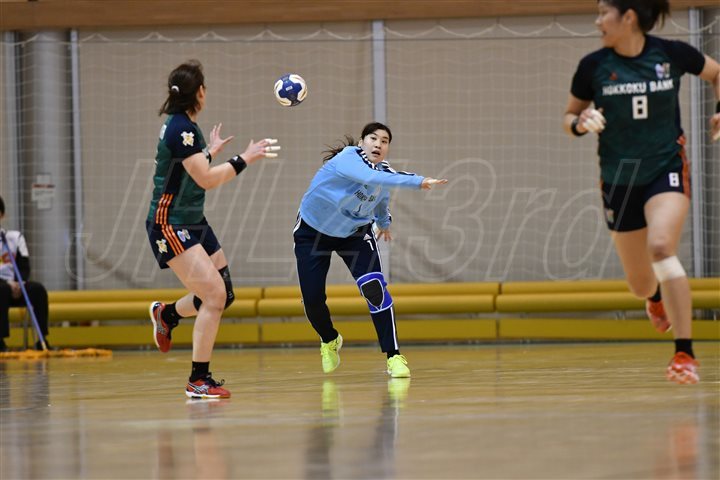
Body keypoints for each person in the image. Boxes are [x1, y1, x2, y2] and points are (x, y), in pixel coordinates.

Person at [563, 0, 720, 384]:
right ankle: (654, 299)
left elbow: (717, 72)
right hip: (619, 178)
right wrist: (581, 122)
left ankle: (684, 353)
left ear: (629, 17)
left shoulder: (671, 53)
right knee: (640, 283)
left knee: (662, 247)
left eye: (604, 13)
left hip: (666, 168)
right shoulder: (593, 66)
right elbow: (568, 117)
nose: (598, 21)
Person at [146, 60, 280, 399]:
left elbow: (190, 168)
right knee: (215, 296)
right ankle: (198, 379)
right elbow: (205, 179)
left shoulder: (185, 126)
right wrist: (245, 158)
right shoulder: (181, 129)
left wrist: (209, 151)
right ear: (199, 92)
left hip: (193, 220)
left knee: (224, 294)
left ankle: (167, 314)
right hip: (170, 223)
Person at [294, 122, 448, 378]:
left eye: (384, 141)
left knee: (374, 289)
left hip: (353, 234)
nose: (378, 144)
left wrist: (384, 224)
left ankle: (394, 356)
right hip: (313, 233)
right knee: (312, 300)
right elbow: (372, 178)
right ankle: (329, 339)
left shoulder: (382, 173)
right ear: (361, 143)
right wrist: (419, 181)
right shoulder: (347, 159)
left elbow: (380, 199)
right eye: (373, 138)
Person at [0, 195, 50, 352]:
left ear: (2, 215)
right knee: (2, 289)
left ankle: (42, 339)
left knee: (38, 290)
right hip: (2, 287)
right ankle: (0, 341)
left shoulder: (14, 238)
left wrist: (19, 283)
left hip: (15, 285)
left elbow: (24, 266)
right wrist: (8, 284)